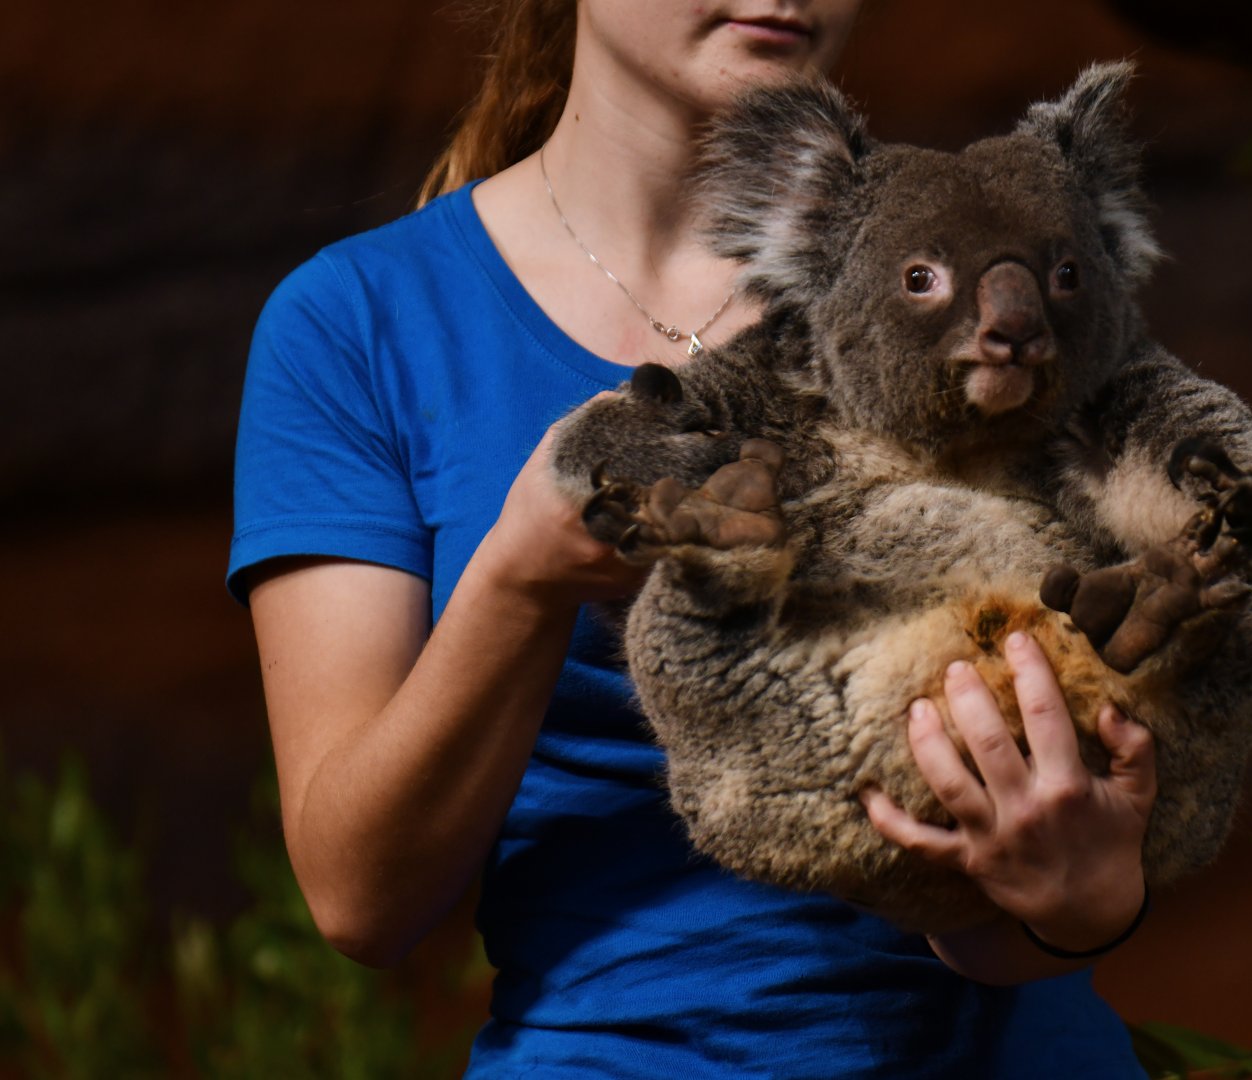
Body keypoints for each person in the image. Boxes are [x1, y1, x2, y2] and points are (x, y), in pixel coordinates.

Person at [229, 1, 1157, 1074]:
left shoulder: (997, 268)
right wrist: (522, 578)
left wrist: (1079, 905)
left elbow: (1023, 880)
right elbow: (361, 898)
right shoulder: (359, 324)